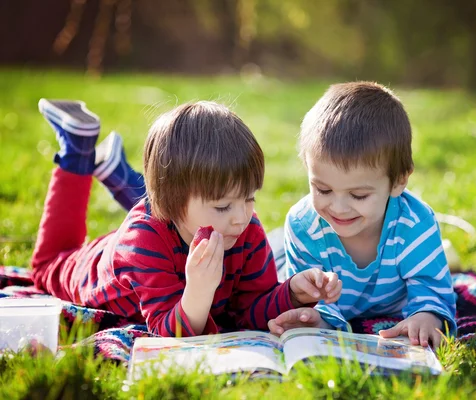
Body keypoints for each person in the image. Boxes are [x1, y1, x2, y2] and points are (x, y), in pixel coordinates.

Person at [31, 99, 342, 337]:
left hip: (164, 231)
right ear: (171, 204)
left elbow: (248, 310)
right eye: (223, 207)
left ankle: (115, 171)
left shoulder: (245, 229)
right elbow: (167, 333)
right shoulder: (142, 242)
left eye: (249, 198)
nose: (242, 218)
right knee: (45, 263)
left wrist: (292, 293)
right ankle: (77, 149)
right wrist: (199, 292)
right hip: (84, 268)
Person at [268, 82, 456, 349]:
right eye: (323, 189)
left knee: (431, 266)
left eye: (358, 195)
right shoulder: (303, 225)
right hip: (281, 256)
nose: (339, 207)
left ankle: (444, 253)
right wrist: (316, 318)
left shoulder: (415, 225)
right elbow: (307, 296)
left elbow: (433, 291)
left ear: (398, 181)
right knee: (270, 259)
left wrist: (426, 317)